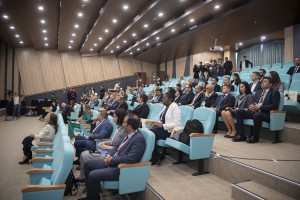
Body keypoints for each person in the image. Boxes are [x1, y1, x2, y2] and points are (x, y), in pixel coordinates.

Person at [78, 114, 146, 200]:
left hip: (120, 168)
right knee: (88, 164)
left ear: (129, 126)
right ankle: (92, 194)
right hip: (113, 161)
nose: (122, 124)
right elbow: (116, 147)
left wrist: (111, 160)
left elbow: (130, 158)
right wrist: (108, 156)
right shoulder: (127, 133)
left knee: (93, 175)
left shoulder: (139, 139)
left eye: (124, 123)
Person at [75, 109, 127, 178]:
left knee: (79, 146)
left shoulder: (108, 124)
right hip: (100, 143)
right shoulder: (118, 127)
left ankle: (82, 169)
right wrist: (93, 123)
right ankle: (80, 163)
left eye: (114, 117)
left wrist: (105, 145)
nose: (96, 116)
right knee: (78, 139)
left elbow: (101, 136)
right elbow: (93, 132)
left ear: (102, 116)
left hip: (97, 142)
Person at [233, 77, 280, 143]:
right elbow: (254, 102)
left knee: (257, 115)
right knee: (238, 112)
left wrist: (260, 107)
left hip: (266, 113)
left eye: (265, 81)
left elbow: (274, 106)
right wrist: (252, 106)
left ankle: (255, 137)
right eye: (262, 81)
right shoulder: (258, 92)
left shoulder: (274, 92)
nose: (262, 82)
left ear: (270, 84)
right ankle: (241, 135)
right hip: (255, 112)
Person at [150, 92, 182, 165]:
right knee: (149, 133)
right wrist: (155, 124)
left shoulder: (175, 107)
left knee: (151, 134)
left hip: (169, 132)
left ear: (170, 99)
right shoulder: (166, 107)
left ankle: (155, 157)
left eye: (164, 98)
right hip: (162, 129)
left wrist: (162, 126)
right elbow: (161, 120)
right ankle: (157, 155)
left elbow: (177, 124)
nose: (162, 99)